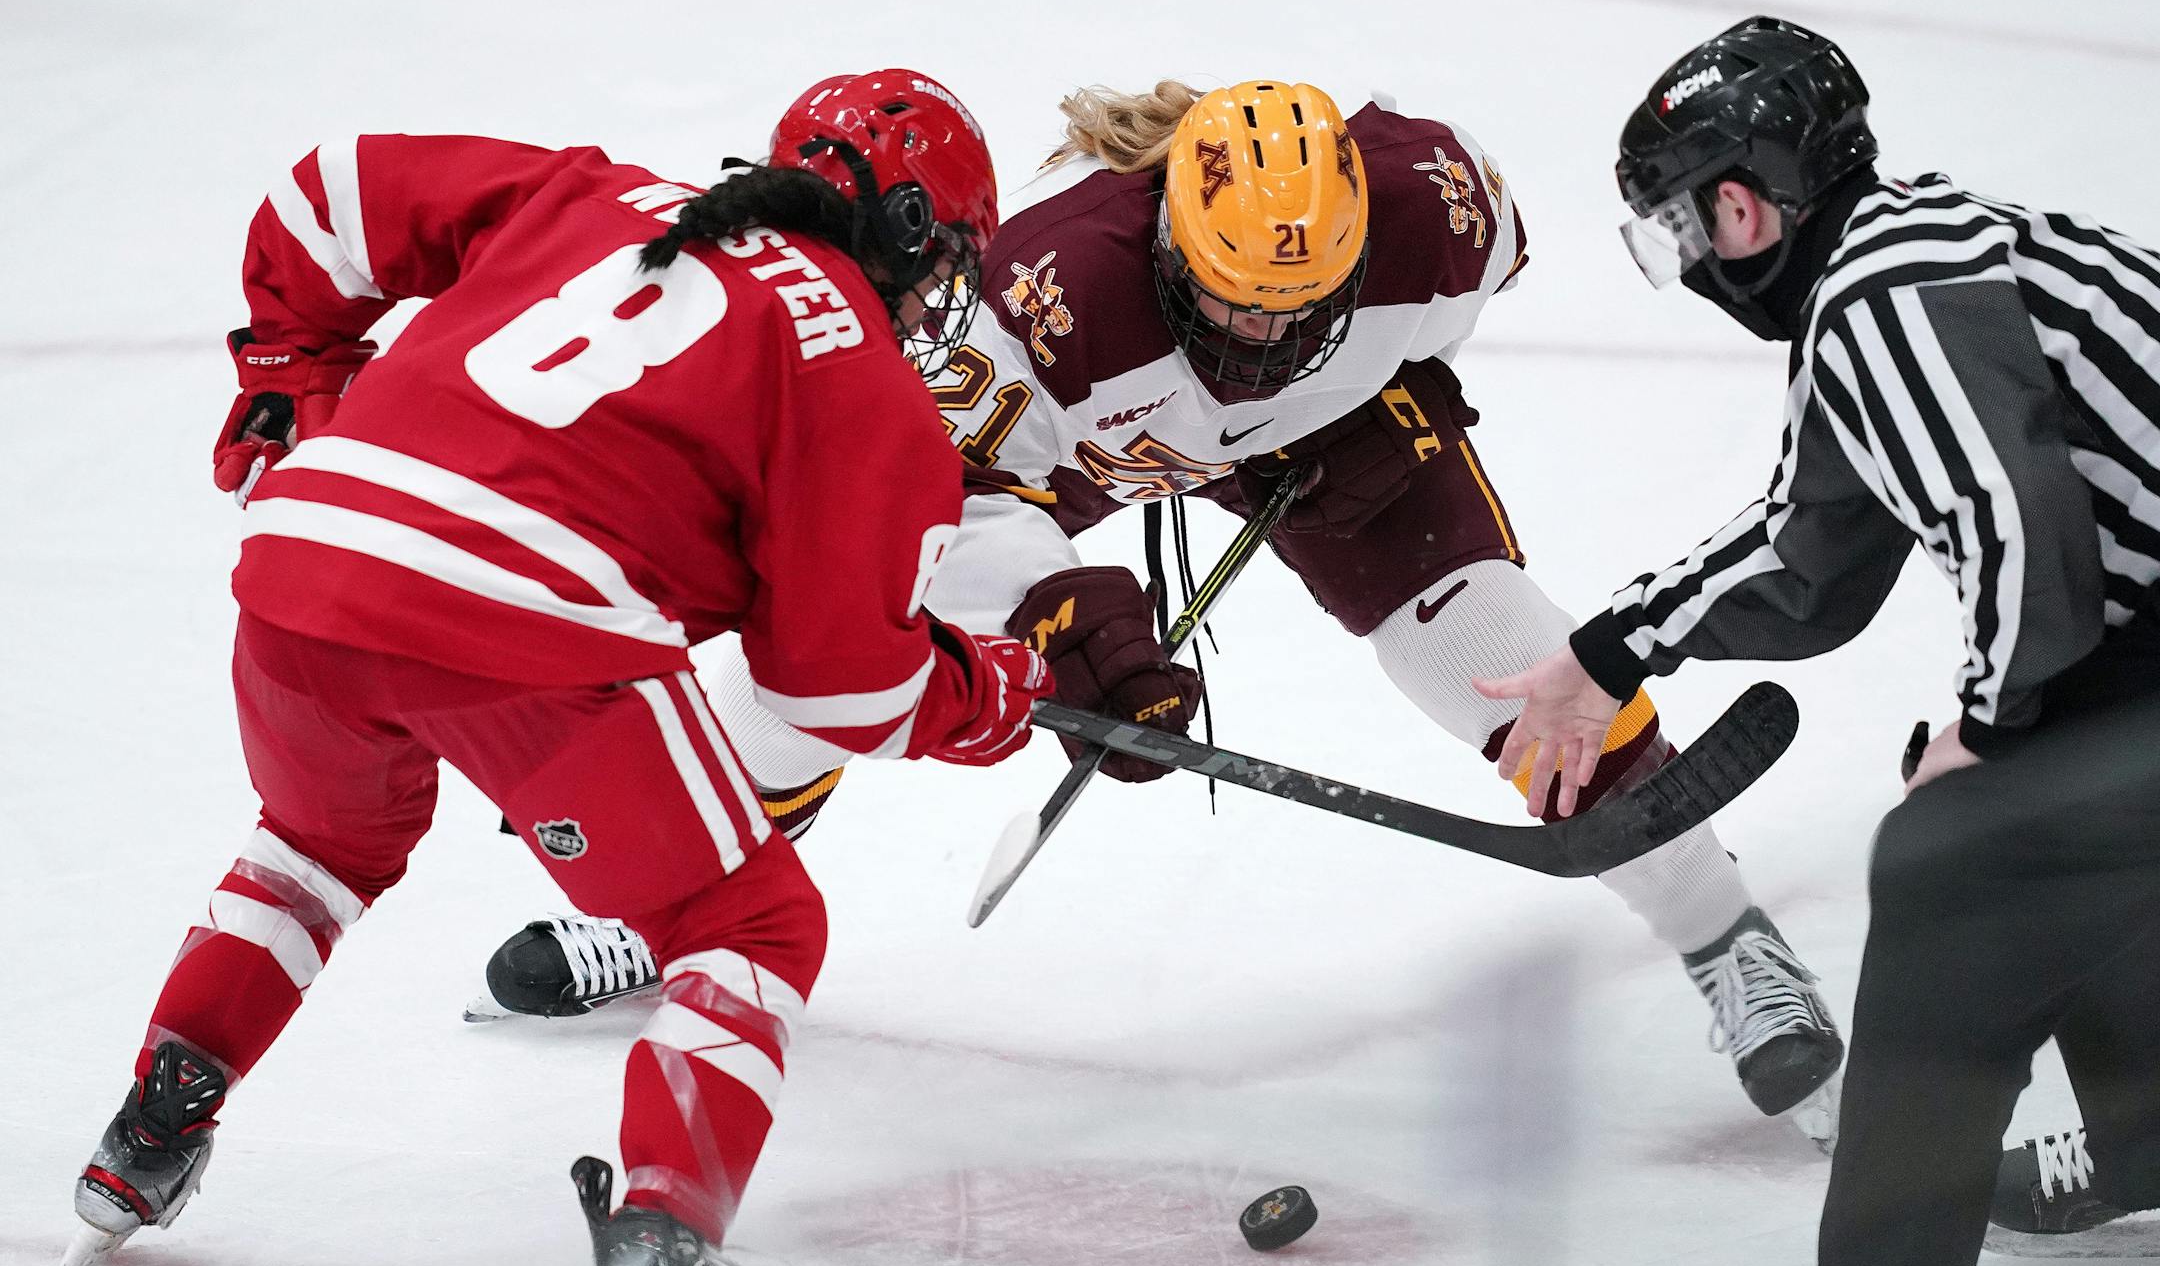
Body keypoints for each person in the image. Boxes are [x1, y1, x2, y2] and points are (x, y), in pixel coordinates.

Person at [491, 78, 1848, 1145]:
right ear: (1164, 241)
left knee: (1516, 665)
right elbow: (934, 510)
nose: (1258, 342)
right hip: (1086, 444)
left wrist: (1332, 418)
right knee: (829, 662)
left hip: (1340, 436)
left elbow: (1471, 282)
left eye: (1293, 312)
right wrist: (1072, 612)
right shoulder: (1045, 299)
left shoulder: (1442, 217)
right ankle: (669, 897)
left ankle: (1735, 950)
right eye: (1228, 306)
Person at [53, 70, 1052, 1266]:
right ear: (919, 233)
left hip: (303, 565)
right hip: (524, 624)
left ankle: (149, 1130)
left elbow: (325, 193)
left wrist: (296, 377)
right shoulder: (856, 371)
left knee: (319, 840)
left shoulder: (597, 191)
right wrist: (979, 697)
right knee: (751, 926)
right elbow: (836, 692)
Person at [1480, 17, 2160, 1266]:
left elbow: (2014, 530)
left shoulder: (1890, 296)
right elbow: (1812, 552)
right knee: (2050, 813)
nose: (1696, 259)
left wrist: (1986, 733)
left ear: (1743, 203)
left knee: (1957, 866)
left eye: (1684, 221)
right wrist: (1608, 655)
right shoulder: (1899, 269)